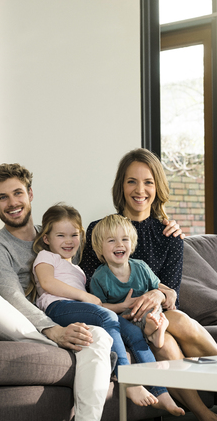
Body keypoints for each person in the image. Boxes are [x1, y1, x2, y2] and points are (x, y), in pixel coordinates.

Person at [0, 163, 113, 421]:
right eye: (2, 197)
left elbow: (105, 263)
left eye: (18, 193)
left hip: (57, 318)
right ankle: (54, 341)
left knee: (97, 336)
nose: (12, 202)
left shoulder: (57, 237)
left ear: (30, 194)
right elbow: (12, 297)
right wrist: (53, 330)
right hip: (12, 321)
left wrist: (157, 288)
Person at [81, 148, 217, 421]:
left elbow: (171, 296)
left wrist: (157, 293)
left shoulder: (169, 234)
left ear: (157, 187)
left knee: (173, 325)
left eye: (148, 182)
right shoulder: (100, 229)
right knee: (169, 331)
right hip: (121, 316)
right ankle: (204, 413)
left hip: (160, 317)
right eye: (132, 181)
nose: (139, 189)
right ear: (121, 185)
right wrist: (126, 306)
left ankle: (204, 414)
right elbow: (89, 288)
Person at [31, 203, 184, 415]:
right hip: (58, 308)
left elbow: (100, 305)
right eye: (60, 236)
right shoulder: (46, 257)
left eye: (74, 235)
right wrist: (85, 296)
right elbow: (47, 283)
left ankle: (162, 392)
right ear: (46, 239)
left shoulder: (76, 268)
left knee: (133, 333)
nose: (68, 241)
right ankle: (127, 380)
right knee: (106, 315)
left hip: (81, 309)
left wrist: (122, 305)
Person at [90, 214, 173, 349]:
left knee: (152, 309)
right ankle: (151, 332)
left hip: (147, 311)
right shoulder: (99, 277)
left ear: (132, 244)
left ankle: (153, 331)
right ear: (99, 248)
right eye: (111, 240)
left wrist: (167, 294)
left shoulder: (141, 267)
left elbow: (158, 288)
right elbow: (98, 308)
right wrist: (122, 306)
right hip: (124, 319)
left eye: (125, 239)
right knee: (120, 321)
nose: (119, 244)